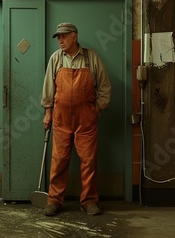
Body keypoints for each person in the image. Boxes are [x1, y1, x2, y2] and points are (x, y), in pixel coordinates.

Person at [41, 22, 111, 216]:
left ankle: (88, 201)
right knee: (59, 160)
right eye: (58, 37)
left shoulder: (91, 58)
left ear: (75, 36)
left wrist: (97, 109)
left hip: (86, 120)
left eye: (64, 36)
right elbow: (48, 87)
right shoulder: (56, 58)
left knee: (89, 161)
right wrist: (48, 112)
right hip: (61, 119)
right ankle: (54, 200)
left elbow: (104, 87)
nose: (60, 40)